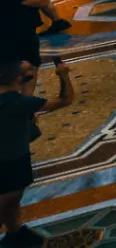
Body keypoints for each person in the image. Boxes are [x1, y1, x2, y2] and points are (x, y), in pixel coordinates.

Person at [0, 56, 74, 244]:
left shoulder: (16, 102)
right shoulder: (21, 103)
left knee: (12, 201)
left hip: (12, 158)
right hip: (13, 160)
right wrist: (63, 76)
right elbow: (65, 99)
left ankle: (15, 233)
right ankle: (14, 234)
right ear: (18, 78)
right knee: (8, 199)